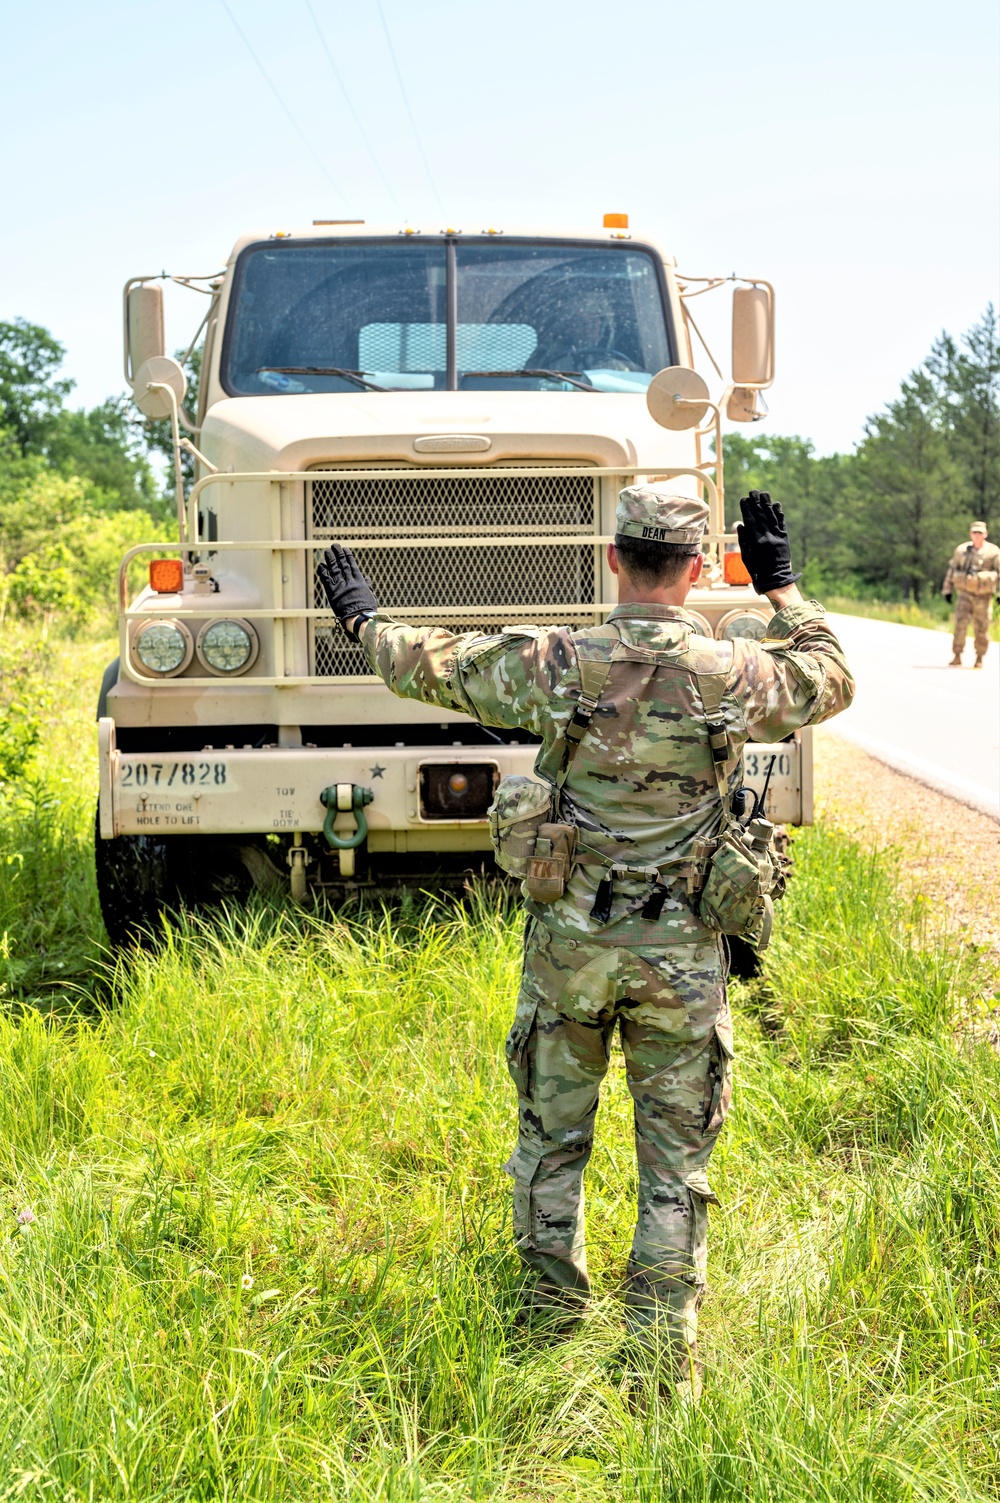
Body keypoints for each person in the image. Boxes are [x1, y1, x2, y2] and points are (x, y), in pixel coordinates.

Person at [317, 489, 854, 1399]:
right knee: (676, 1164)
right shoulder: (734, 673)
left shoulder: (555, 662)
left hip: (569, 952)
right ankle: (657, 1362)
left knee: (550, 1136)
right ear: (694, 570)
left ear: (613, 558)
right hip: (682, 961)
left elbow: (428, 664)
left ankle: (543, 1327)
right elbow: (831, 674)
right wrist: (783, 587)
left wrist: (363, 616)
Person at [942, 522, 999, 667]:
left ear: (985, 534)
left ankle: (979, 657)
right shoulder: (962, 551)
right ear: (970, 534)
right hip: (964, 594)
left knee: (981, 628)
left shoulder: (993, 552)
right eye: (975, 532)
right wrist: (947, 590)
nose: (977, 535)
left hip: (983, 596)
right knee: (960, 625)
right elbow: (952, 570)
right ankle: (957, 655)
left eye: (980, 533)